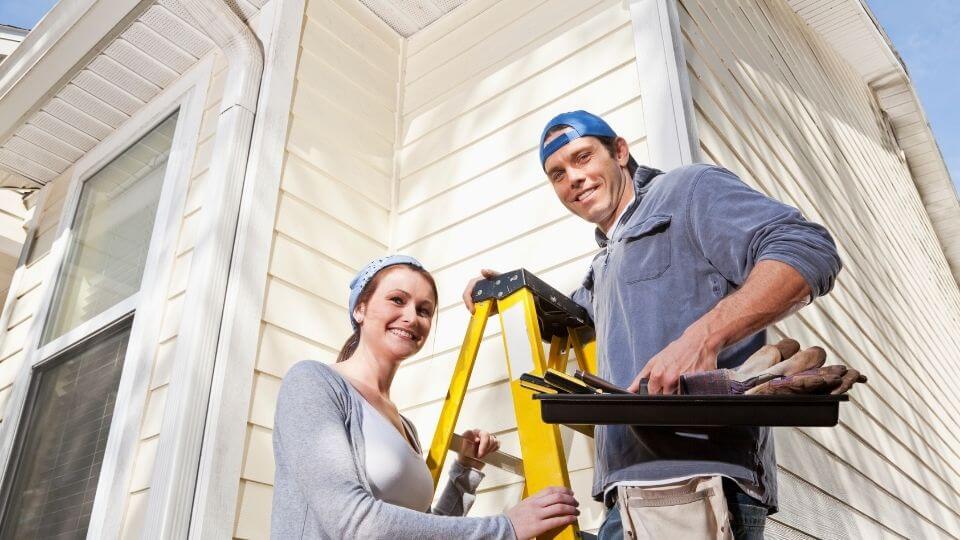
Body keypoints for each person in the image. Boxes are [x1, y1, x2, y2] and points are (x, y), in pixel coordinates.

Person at [463, 111, 842, 539]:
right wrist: (501, 288)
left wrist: (702, 337)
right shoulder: (605, 263)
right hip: (622, 489)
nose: (573, 178)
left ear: (620, 152)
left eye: (583, 157)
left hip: (696, 483)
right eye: (557, 174)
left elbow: (809, 249)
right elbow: (569, 318)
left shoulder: (687, 192)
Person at [272, 255, 580, 539]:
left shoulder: (404, 427)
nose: (411, 317)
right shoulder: (313, 383)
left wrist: (466, 472)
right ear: (360, 308)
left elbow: (422, 529)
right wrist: (505, 529)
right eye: (397, 300)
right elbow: (354, 522)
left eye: (424, 310)